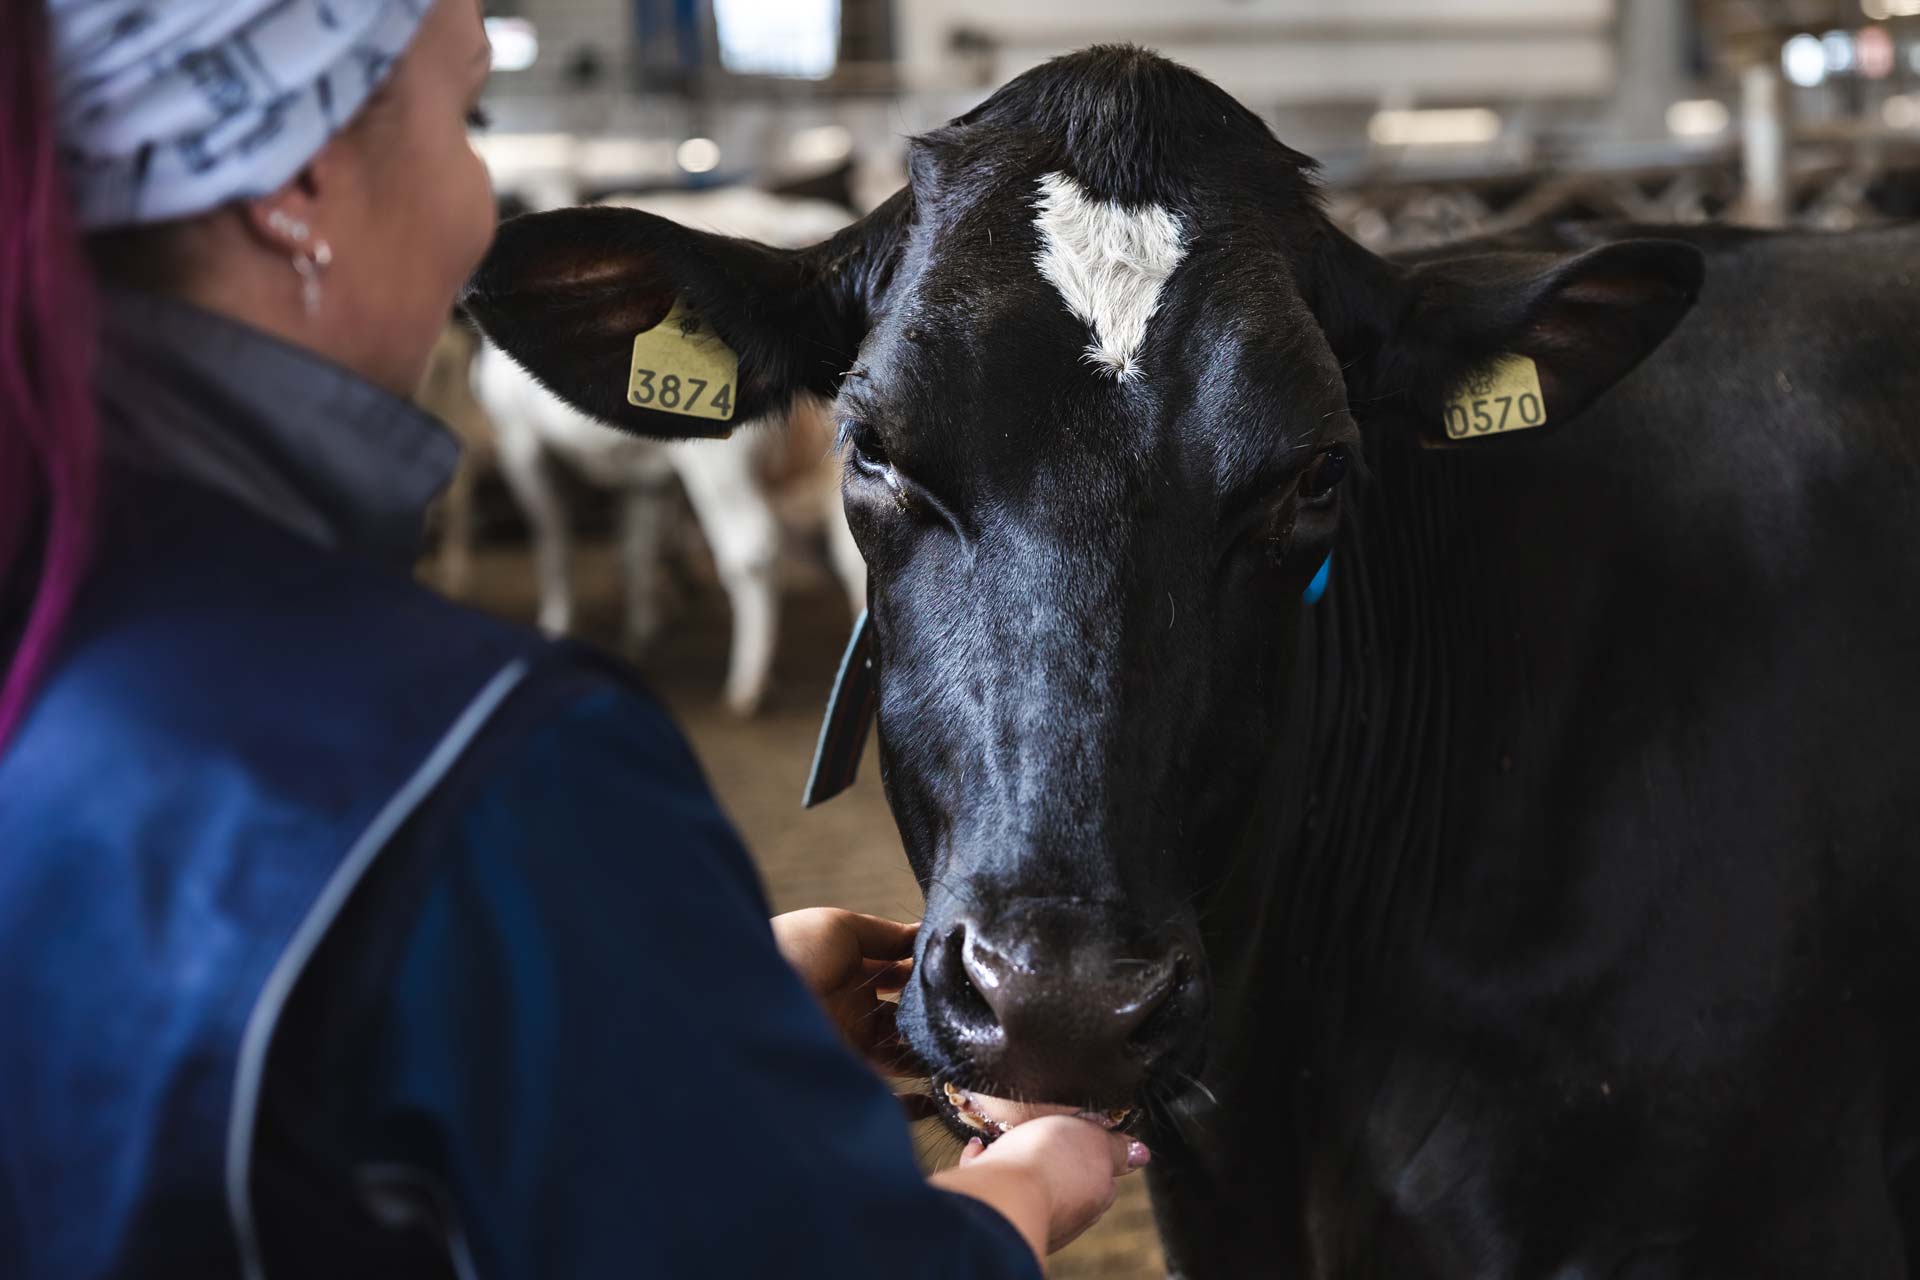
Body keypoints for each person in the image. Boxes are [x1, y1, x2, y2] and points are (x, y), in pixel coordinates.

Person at [0, 2, 1148, 1276]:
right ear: (296, 184)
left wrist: (650, 996)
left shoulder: (62, 626)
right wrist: (1029, 1184)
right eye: (464, 116)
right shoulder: (482, 771)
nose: (480, 201)